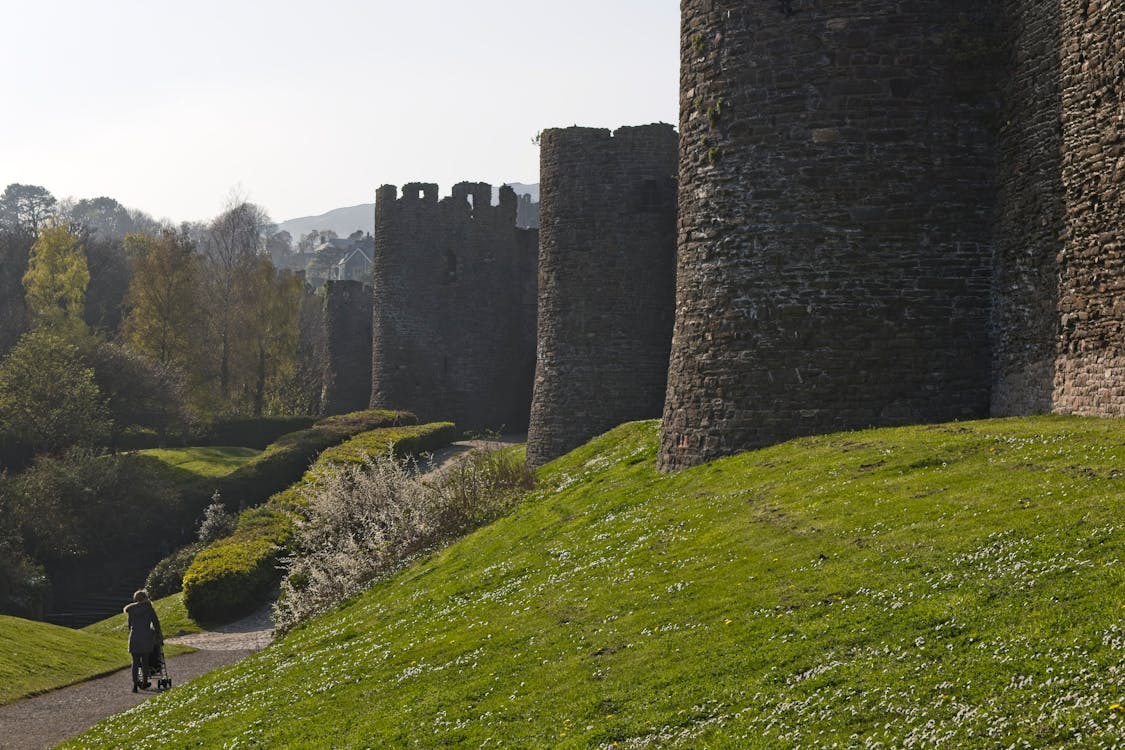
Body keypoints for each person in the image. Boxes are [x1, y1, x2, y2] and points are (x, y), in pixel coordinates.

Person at [124, 589, 163, 692]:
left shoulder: (131, 610)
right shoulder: (148, 608)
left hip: (134, 637)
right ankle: (145, 682)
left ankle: (135, 685)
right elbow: (156, 622)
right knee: (145, 661)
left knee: (135, 662)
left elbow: (130, 625)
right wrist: (157, 633)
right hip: (146, 637)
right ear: (145, 598)